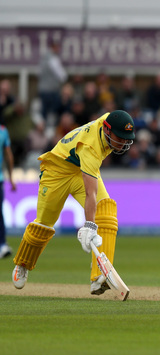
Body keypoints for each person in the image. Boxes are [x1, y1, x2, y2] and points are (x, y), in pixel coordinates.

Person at [11, 110, 135, 296]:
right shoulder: (90, 147)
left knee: (107, 208)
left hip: (78, 169)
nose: (124, 142)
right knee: (44, 224)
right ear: (107, 131)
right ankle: (23, 263)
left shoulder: (108, 121)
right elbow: (90, 192)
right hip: (56, 172)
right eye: (121, 137)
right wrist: (90, 225)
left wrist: (92, 224)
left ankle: (99, 276)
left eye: (127, 138)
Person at [38, 40, 67, 122]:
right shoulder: (53, 59)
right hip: (51, 90)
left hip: (42, 89)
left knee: (44, 112)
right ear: (54, 47)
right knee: (52, 112)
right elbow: (62, 76)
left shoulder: (44, 58)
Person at [0, 124, 16, 258]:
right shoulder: (3, 131)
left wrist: (11, 178)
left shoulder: (3, 131)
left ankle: (2, 244)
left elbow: (8, 155)